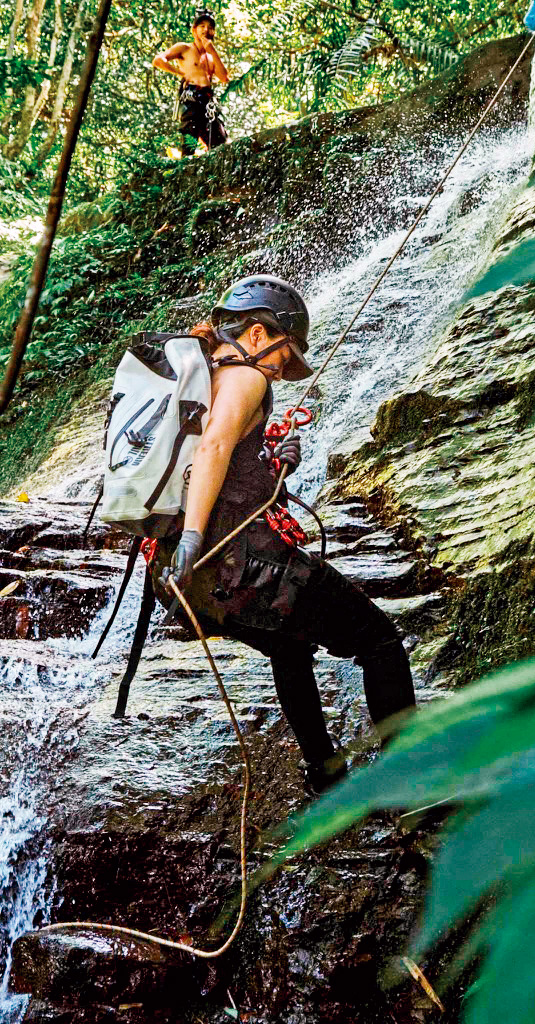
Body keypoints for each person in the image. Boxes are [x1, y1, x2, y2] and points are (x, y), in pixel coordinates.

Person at [154, 275, 417, 795]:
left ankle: (325, 773)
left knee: (290, 647)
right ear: (256, 334)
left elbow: (221, 467)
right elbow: (211, 452)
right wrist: (191, 538)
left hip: (194, 579)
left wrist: (273, 465)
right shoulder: (244, 374)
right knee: (380, 642)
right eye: (281, 354)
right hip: (240, 562)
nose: (280, 368)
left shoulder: (200, 373)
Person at [152, 10, 230, 157]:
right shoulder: (185, 48)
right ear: (194, 30)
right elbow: (158, 60)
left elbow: (224, 77)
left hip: (208, 102)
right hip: (191, 99)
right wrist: (181, 73)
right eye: (202, 26)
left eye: (210, 27)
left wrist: (212, 50)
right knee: (189, 143)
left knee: (221, 143)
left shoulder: (211, 57)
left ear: (214, 32)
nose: (206, 30)